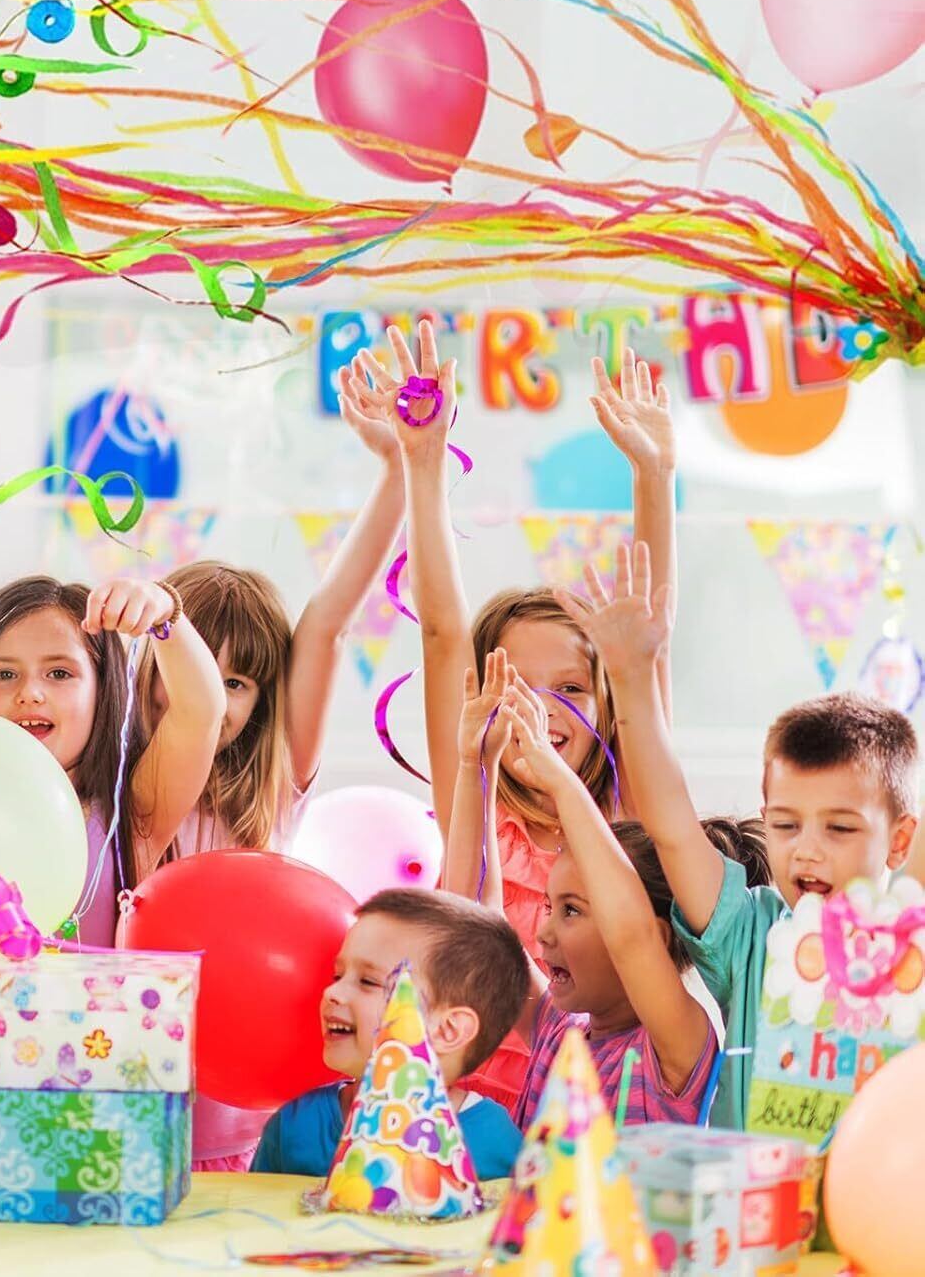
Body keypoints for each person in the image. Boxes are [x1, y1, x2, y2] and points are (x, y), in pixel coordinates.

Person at [354, 320, 676, 1108]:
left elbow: (650, 642)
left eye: (569, 689)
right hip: (472, 1115)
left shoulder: (628, 817)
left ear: (608, 703)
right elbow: (441, 632)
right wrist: (424, 463)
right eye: (517, 686)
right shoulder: (474, 796)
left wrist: (653, 476)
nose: (542, 709)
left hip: (592, 1108)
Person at [138, 359, 412, 1169]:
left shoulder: (277, 780)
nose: (211, 700)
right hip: (128, 1107)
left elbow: (327, 622)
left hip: (245, 1129)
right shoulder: (125, 795)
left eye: (237, 683)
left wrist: (396, 470)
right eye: (192, 672)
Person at [555, 541, 920, 1128]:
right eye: (786, 824)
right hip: (748, 1189)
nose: (807, 848)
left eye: (839, 828)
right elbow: (673, 828)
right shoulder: (749, 936)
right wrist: (630, 676)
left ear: (900, 841)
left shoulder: (912, 944)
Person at [0, 382, 225, 946]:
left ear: (104, 691)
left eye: (60, 673)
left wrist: (164, 614)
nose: (30, 692)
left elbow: (201, 712)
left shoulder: (130, 819)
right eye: (4, 674)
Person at [472, 651, 767, 1126]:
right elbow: (481, 926)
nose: (543, 932)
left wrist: (560, 781)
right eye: (549, 906)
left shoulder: (675, 1051)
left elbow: (632, 934)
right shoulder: (558, 1030)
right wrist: (477, 765)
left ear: (658, 937)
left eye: (571, 910)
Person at [252, 888, 526, 1179]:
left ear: (447, 1029)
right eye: (338, 975)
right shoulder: (294, 1126)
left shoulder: (494, 1141)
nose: (333, 991)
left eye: (368, 981)